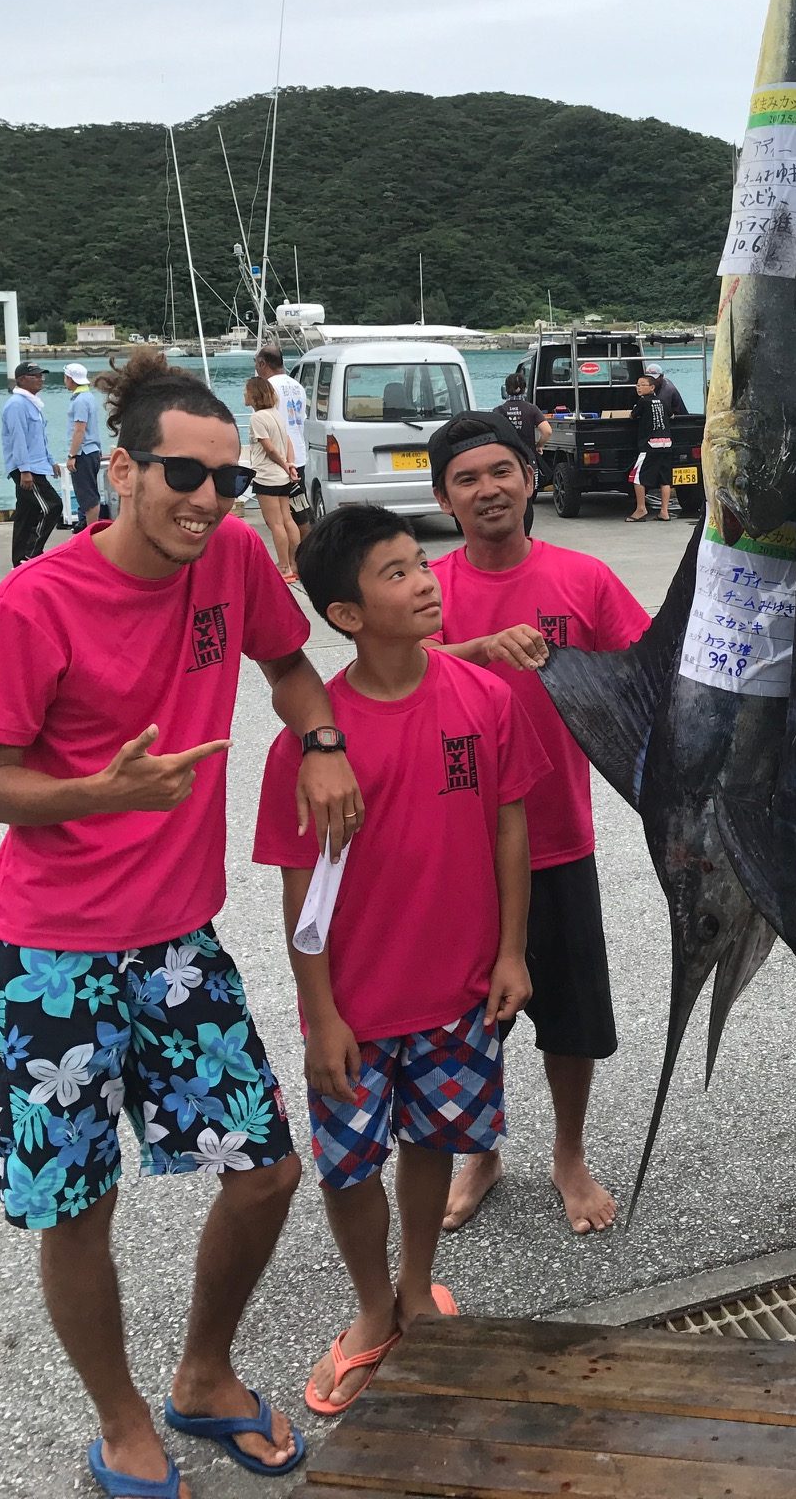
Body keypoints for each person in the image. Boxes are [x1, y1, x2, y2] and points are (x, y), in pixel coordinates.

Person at [0, 349, 364, 1499]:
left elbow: (292, 669)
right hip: (49, 958)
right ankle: (122, 1416)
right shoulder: (31, 604)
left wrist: (323, 743)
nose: (206, 501)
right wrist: (101, 794)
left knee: (266, 1173)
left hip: (178, 944)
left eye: (227, 480)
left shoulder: (233, 559)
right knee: (76, 1207)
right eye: (181, 477)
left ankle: (202, 1374)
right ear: (121, 472)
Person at [254, 507, 546, 1415]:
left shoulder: (483, 698)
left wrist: (509, 951)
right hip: (354, 1007)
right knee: (349, 1166)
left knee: (435, 1143)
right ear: (345, 614)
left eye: (423, 563)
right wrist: (322, 1013)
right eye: (395, 573)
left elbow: (510, 825)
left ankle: (419, 1286)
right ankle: (372, 1309)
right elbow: (298, 890)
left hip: (460, 991)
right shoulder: (310, 748)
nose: (426, 581)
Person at [426, 412, 650, 1234]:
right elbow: (391, 671)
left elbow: (647, 667)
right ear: (445, 499)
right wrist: (480, 648)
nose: (488, 490)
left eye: (502, 473)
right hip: (456, 844)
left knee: (569, 1016)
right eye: (467, 480)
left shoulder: (583, 580)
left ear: (531, 479)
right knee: (465, 1016)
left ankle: (568, 1153)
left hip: (559, 836)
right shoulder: (432, 587)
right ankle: (478, 1149)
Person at [1, 359, 61, 565]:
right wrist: (25, 470)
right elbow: (18, 439)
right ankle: (31, 554)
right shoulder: (17, 405)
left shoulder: (31, 404)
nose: (40, 379)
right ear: (21, 380)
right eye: (35, 375)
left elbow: (38, 439)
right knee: (52, 507)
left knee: (26, 514)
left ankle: (19, 560)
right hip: (27, 469)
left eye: (40, 375)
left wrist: (50, 461)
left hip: (36, 465)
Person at [244, 376, 300, 582]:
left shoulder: (257, 418)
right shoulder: (275, 414)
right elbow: (287, 441)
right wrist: (290, 465)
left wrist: (284, 464)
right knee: (287, 519)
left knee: (275, 523)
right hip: (281, 477)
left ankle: (284, 566)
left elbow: (268, 448)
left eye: (246, 392)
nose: (244, 395)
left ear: (254, 395)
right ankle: (294, 563)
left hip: (266, 476)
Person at [256, 345, 312, 542]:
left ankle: (290, 561)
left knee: (280, 517)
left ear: (263, 363)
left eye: (256, 363)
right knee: (298, 509)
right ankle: (304, 554)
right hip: (298, 454)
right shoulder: (297, 386)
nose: (256, 368)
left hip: (279, 457)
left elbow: (267, 423)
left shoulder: (268, 387)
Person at [497, 374, 553, 539]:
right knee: (527, 500)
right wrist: (539, 445)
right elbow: (547, 431)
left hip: (506, 461)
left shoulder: (499, 411)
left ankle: (509, 534)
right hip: (528, 459)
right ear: (525, 388)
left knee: (507, 499)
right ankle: (525, 537)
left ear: (505, 390)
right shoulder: (531, 409)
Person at [64, 363, 107, 530]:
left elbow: (79, 430)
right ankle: (92, 529)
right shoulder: (88, 397)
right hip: (92, 450)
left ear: (71, 379)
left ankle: (91, 532)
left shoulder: (80, 401)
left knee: (87, 496)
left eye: (66, 377)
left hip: (84, 452)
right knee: (90, 492)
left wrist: (72, 455)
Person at [627, 372, 673, 523]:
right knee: (665, 479)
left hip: (650, 445)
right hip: (666, 443)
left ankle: (641, 509)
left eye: (642, 385)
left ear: (652, 387)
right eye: (637, 385)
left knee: (637, 477)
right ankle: (664, 512)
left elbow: (632, 416)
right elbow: (671, 416)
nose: (638, 388)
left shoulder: (643, 402)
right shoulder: (663, 401)